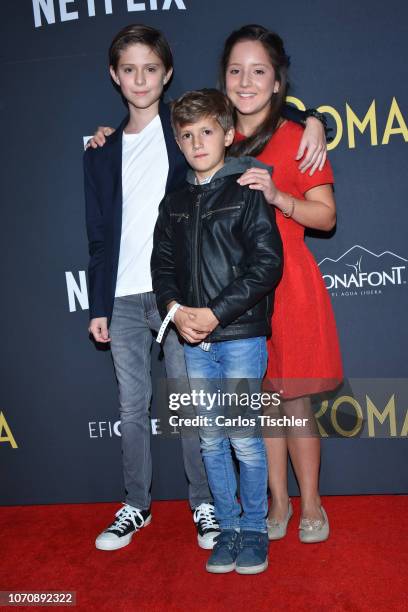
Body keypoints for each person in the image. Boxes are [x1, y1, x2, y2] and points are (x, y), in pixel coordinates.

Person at [84, 24, 219, 552]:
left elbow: (245, 114)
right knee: (132, 408)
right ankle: (136, 505)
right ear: (115, 76)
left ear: (166, 75)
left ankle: (204, 502)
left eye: (151, 68)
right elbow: (98, 235)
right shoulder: (99, 150)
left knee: (189, 404)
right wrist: (97, 304)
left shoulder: (185, 130)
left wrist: (312, 118)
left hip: (178, 295)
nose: (140, 78)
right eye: (129, 69)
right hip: (119, 298)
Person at [151, 88, 283, 574]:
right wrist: (176, 309)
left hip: (241, 336)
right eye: (186, 135)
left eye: (207, 131)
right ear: (178, 142)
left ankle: (253, 530)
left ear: (227, 135)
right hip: (193, 339)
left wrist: (215, 314)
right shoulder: (174, 202)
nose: (197, 142)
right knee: (209, 439)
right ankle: (226, 529)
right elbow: (161, 267)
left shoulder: (247, 192)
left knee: (245, 439)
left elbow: (267, 265)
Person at [220, 24, 343, 543]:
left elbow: (327, 216)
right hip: (235, 285)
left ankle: (312, 503)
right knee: (262, 399)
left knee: (293, 401)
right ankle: (278, 500)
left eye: (258, 71)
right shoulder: (217, 136)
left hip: (288, 281)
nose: (245, 81)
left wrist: (277, 196)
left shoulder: (297, 137)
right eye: (235, 70)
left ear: (276, 82)